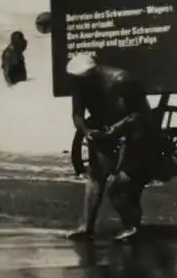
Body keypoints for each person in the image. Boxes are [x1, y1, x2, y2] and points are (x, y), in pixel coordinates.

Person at [64, 53, 169, 242]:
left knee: (120, 185)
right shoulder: (79, 85)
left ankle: (131, 226)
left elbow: (140, 115)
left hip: (137, 133)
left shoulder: (121, 80)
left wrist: (116, 129)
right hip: (105, 129)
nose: (79, 85)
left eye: (83, 80)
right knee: (95, 177)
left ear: (93, 74)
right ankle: (86, 227)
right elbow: (77, 114)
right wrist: (87, 131)